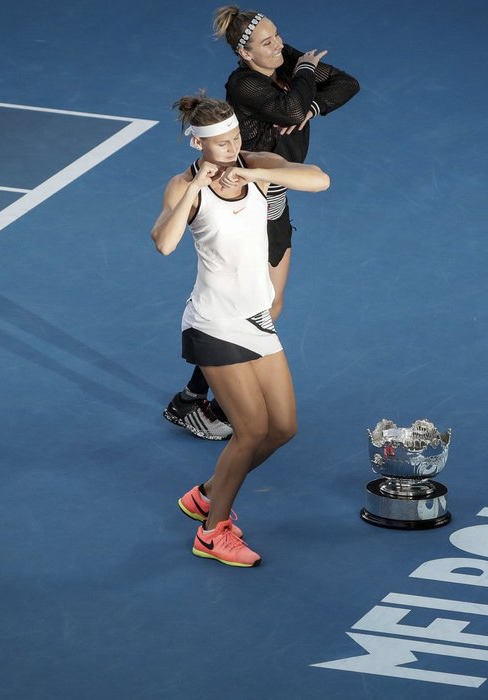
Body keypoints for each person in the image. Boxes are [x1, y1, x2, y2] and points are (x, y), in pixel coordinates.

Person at [162, 6, 359, 441]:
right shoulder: (245, 82)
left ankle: (194, 397)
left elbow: (346, 84)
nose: (280, 47)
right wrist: (304, 72)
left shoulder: (280, 63)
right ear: (244, 52)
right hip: (242, 199)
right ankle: (202, 402)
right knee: (251, 310)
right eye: (268, 42)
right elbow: (289, 110)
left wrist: (311, 107)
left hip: (274, 196)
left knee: (271, 307)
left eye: (278, 38)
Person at [151, 92, 330, 567]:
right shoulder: (183, 185)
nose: (233, 147)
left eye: (235, 138)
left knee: (283, 428)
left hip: (255, 319)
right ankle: (213, 532)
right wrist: (194, 187)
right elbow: (164, 244)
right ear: (199, 144)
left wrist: (255, 173)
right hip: (213, 322)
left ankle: (207, 494)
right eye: (223, 143)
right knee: (250, 431)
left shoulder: (255, 161)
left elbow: (320, 180)